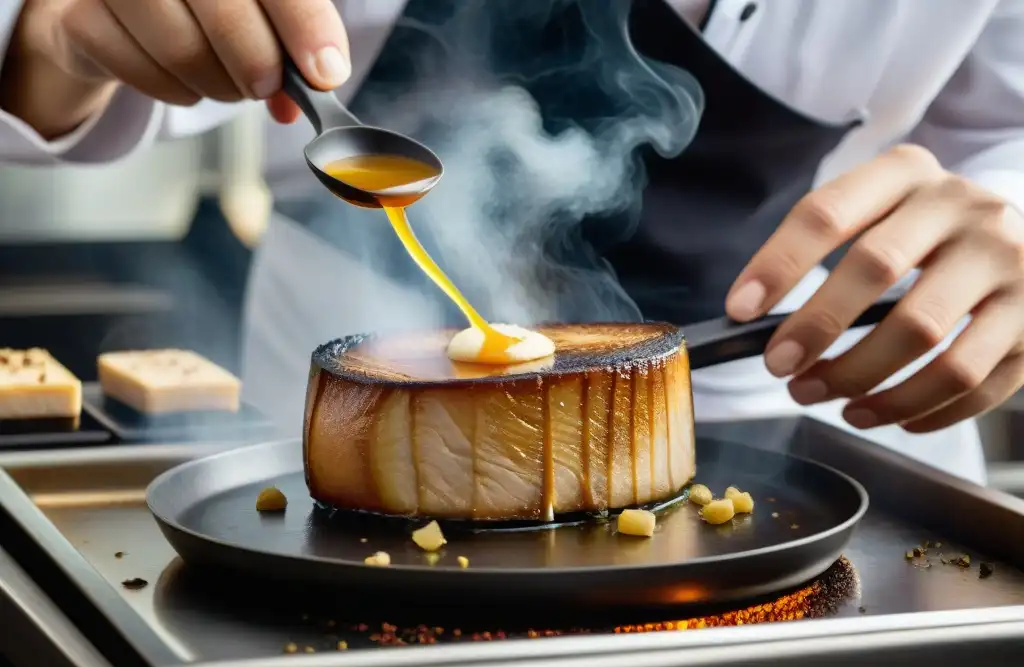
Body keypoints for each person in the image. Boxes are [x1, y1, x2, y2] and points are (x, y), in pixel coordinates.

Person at [1, 0, 1022, 486]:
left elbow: (1004, 129)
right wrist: (54, 38)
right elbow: (57, 53)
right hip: (363, 407)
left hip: (808, 409)